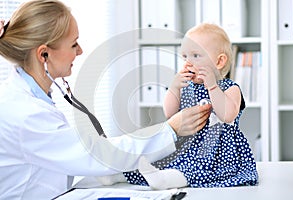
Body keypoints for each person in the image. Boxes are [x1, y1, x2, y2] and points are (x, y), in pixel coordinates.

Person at [0, 1, 211, 199]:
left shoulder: (28, 98)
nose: (80, 51)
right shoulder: (24, 113)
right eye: (74, 44)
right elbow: (96, 155)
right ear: (44, 55)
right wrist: (170, 130)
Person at [121, 23, 258, 189]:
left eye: (195, 55)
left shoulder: (230, 88)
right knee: (152, 158)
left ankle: (165, 180)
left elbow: (227, 115)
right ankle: (117, 174)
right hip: (185, 146)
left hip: (216, 153)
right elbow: (170, 114)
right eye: (185, 56)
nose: (188, 62)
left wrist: (212, 86)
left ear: (219, 61)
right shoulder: (187, 87)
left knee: (193, 168)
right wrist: (174, 88)